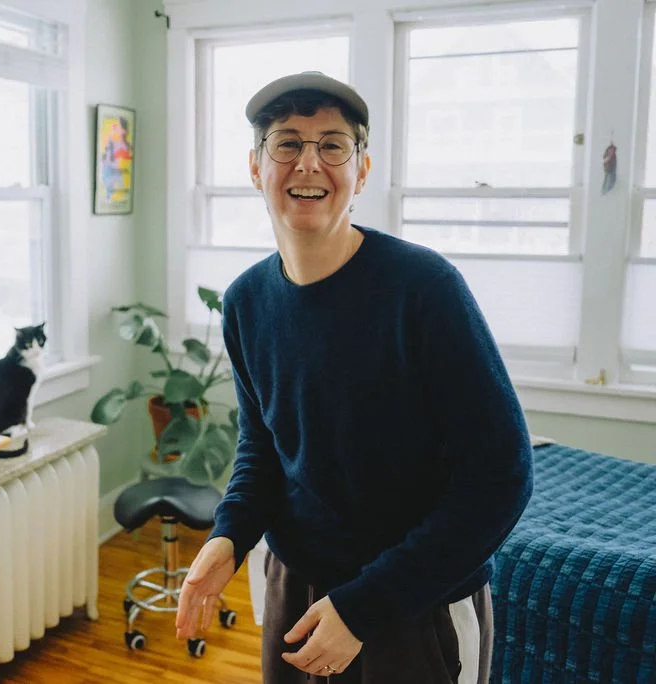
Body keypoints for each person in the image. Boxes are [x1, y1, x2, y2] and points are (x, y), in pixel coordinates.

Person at [174, 71, 534, 684]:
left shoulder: (423, 290)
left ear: (361, 170)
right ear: (256, 167)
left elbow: (501, 475)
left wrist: (364, 606)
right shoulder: (245, 303)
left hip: (417, 597)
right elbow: (264, 447)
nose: (308, 163)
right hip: (296, 588)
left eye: (332, 145)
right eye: (287, 143)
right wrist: (228, 537)